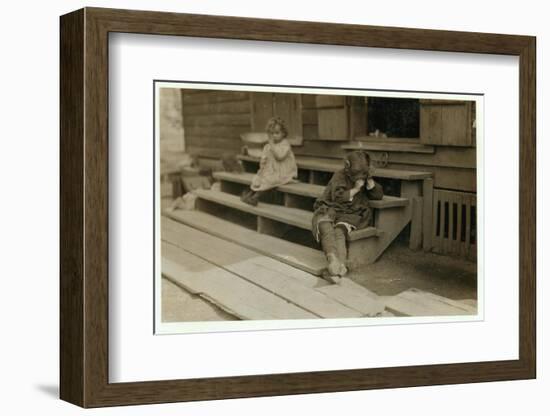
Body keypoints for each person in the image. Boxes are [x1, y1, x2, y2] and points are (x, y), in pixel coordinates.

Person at [312, 150, 384, 283]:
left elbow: (378, 195)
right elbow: (337, 197)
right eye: (356, 176)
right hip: (332, 207)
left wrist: (370, 184)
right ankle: (332, 258)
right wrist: (356, 189)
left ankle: (341, 265)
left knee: (339, 232)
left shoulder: (364, 177)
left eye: (362, 175)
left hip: (351, 212)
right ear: (348, 168)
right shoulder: (339, 175)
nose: (359, 179)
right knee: (325, 226)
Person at [241, 117, 298, 206]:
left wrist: (271, 146)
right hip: (272, 169)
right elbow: (264, 159)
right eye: (271, 133)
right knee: (259, 178)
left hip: (283, 171)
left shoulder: (285, 144)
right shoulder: (269, 146)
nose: (274, 135)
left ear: (283, 133)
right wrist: (262, 168)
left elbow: (280, 157)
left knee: (268, 180)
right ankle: (249, 195)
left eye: (277, 133)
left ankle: (256, 198)